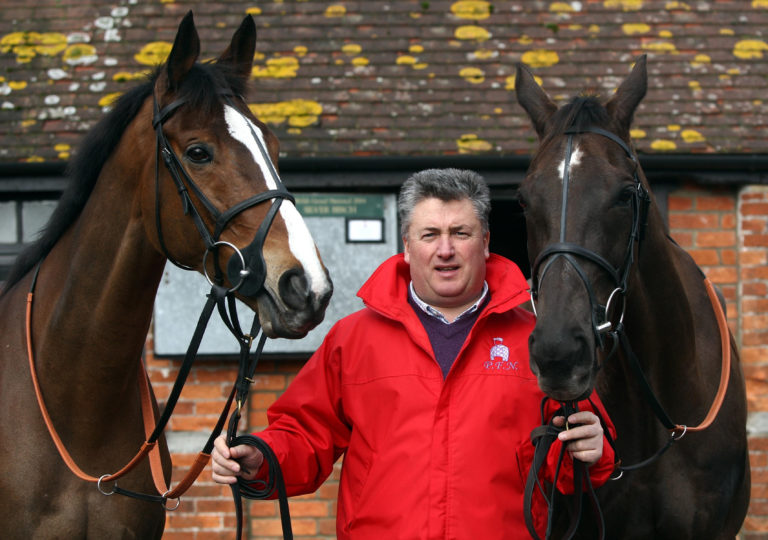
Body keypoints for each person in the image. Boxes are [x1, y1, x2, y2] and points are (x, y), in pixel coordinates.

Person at [211, 168, 616, 538]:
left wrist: (592, 448)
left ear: (486, 242)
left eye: (461, 233)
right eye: (429, 235)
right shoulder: (353, 340)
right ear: (406, 245)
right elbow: (304, 434)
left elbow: (575, 448)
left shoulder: (538, 340)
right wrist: (261, 458)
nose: (445, 250)